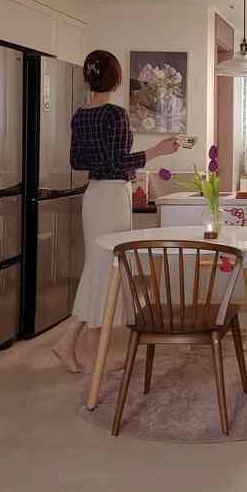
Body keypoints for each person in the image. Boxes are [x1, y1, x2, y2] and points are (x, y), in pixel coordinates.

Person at [52, 50, 179, 373]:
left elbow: (77, 162)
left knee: (98, 270)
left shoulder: (80, 114)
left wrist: (105, 162)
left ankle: (81, 349)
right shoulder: (115, 115)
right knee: (105, 271)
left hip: (93, 195)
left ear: (87, 78)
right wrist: (158, 150)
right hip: (111, 197)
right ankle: (79, 349)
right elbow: (117, 162)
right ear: (118, 79)